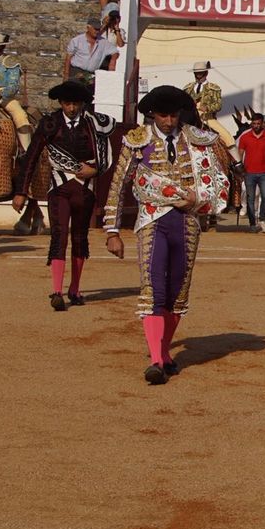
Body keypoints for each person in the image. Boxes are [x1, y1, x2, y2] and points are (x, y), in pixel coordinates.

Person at [103, 85, 230, 385]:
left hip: (186, 222)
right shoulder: (138, 141)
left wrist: (196, 201)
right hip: (151, 220)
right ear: (152, 114)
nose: (169, 122)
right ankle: (157, 360)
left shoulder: (198, 141)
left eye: (174, 115)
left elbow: (217, 183)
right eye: (163, 115)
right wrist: (112, 230)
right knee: (153, 289)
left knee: (178, 292)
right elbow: (117, 186)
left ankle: (163, 352)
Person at [12, 80, 117, 311]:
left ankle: (75, 289)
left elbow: (105, 156)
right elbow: (31, 157)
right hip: (59, 188)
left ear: (81, 103)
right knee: (59, 236)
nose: (72, 108)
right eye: (68, 103)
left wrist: (96, 170)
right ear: (60, 103)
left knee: (79, 238)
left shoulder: (93, 124)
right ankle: (57, 290)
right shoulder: (50, 124)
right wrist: (21, 191)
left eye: (75, 103)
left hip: (85, 189)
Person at [234, 113, 265, 232]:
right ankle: (252, 223)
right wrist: (239, 171)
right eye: (254, 123)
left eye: (258, 123)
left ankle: (262, 220)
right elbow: (240, 154)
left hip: (264, 172)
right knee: (250, 198)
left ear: (262, 123)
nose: (256, 126)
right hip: (249, 172)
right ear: (251, 123)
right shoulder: (245, 137)